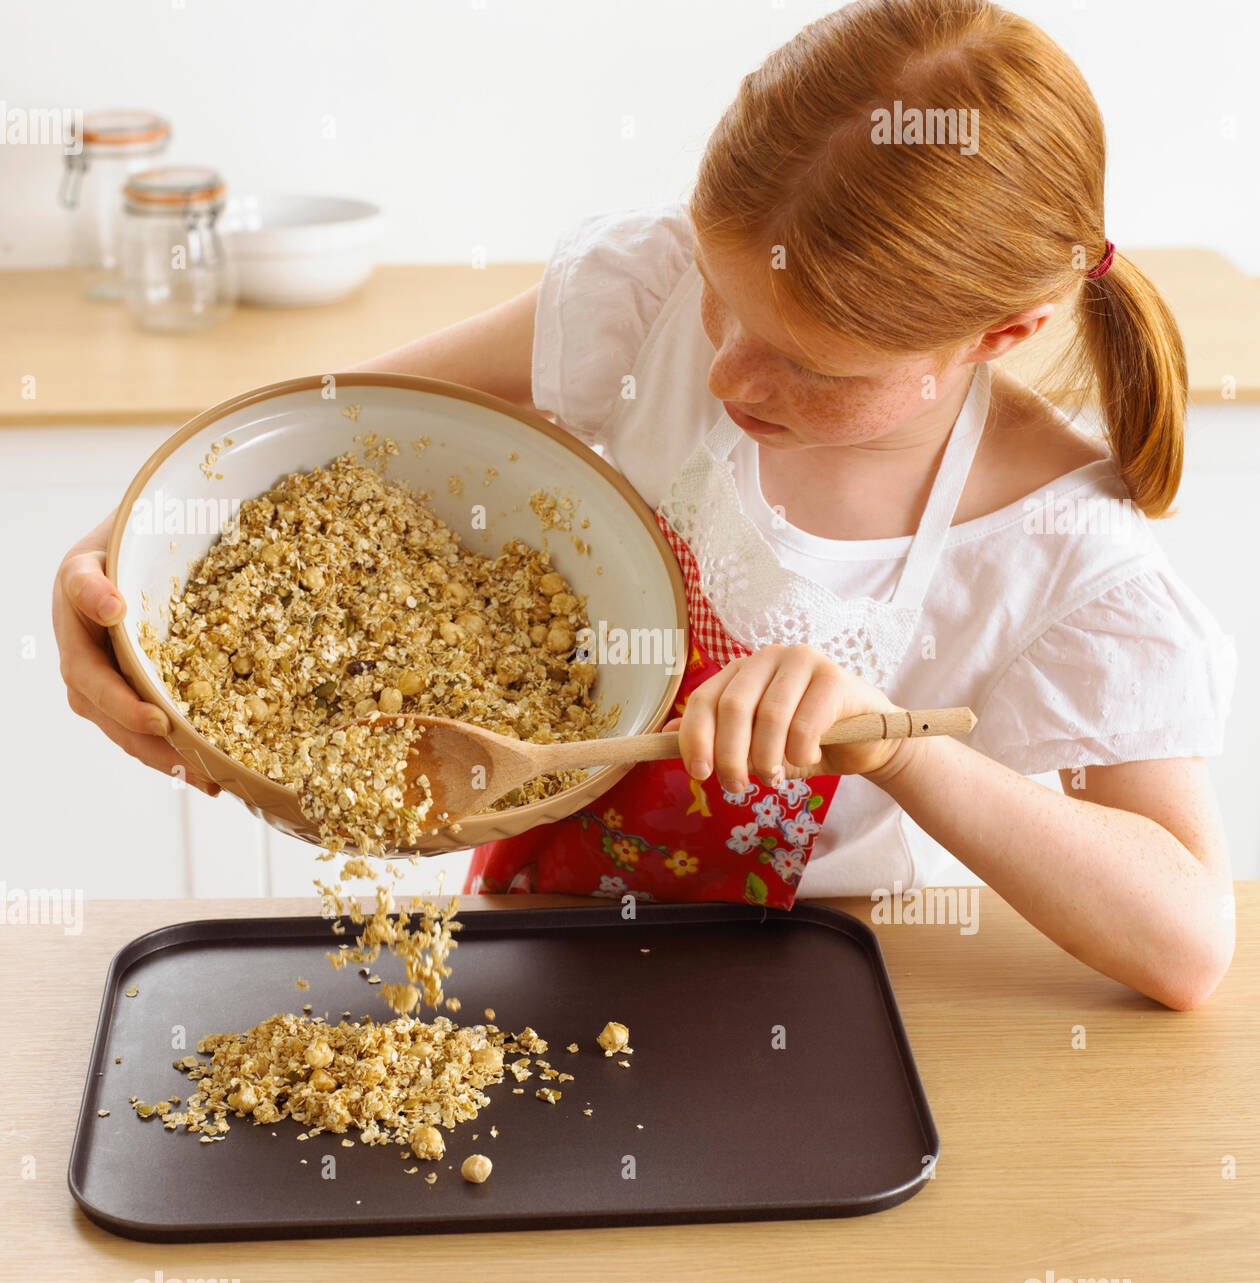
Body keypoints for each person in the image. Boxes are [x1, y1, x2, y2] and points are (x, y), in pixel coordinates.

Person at [54, 0, 1236, 1009]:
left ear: (1005, 334)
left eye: (812, 368)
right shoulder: (652, 296)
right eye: (728, 304)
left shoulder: (1058, 545)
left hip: (812, 985)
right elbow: (316, 427)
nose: (726, 377)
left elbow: (1187, 942)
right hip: (537, 929)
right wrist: (119, 553)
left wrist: (898, 749)